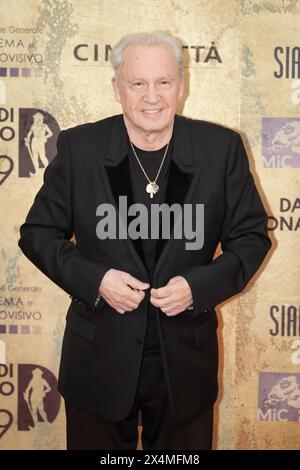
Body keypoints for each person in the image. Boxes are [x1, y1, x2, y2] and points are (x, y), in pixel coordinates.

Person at [18, 31, 272, 450]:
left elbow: (251, 238)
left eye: (164, 82)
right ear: (117, 88)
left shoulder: (220, 149)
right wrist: (96, 280)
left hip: (184, 368)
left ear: (182, 86)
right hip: (98, 360)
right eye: (138, 83)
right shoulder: (80, 148)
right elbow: (37, 233)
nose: (151, 96)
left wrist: (197, 288)